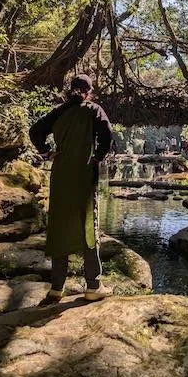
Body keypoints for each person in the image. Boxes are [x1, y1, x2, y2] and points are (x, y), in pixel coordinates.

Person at [30, 74, 113, 306]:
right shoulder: (94, 110)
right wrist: (97, 157)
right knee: (88, 224)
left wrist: (47, 152)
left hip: (61, 174)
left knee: (60, 225)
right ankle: (93, 286)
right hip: (84, 174)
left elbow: (35, 131)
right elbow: (107, 136)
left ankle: (56, 289)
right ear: (89, 91)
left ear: (70, 90)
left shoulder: (59, 111)